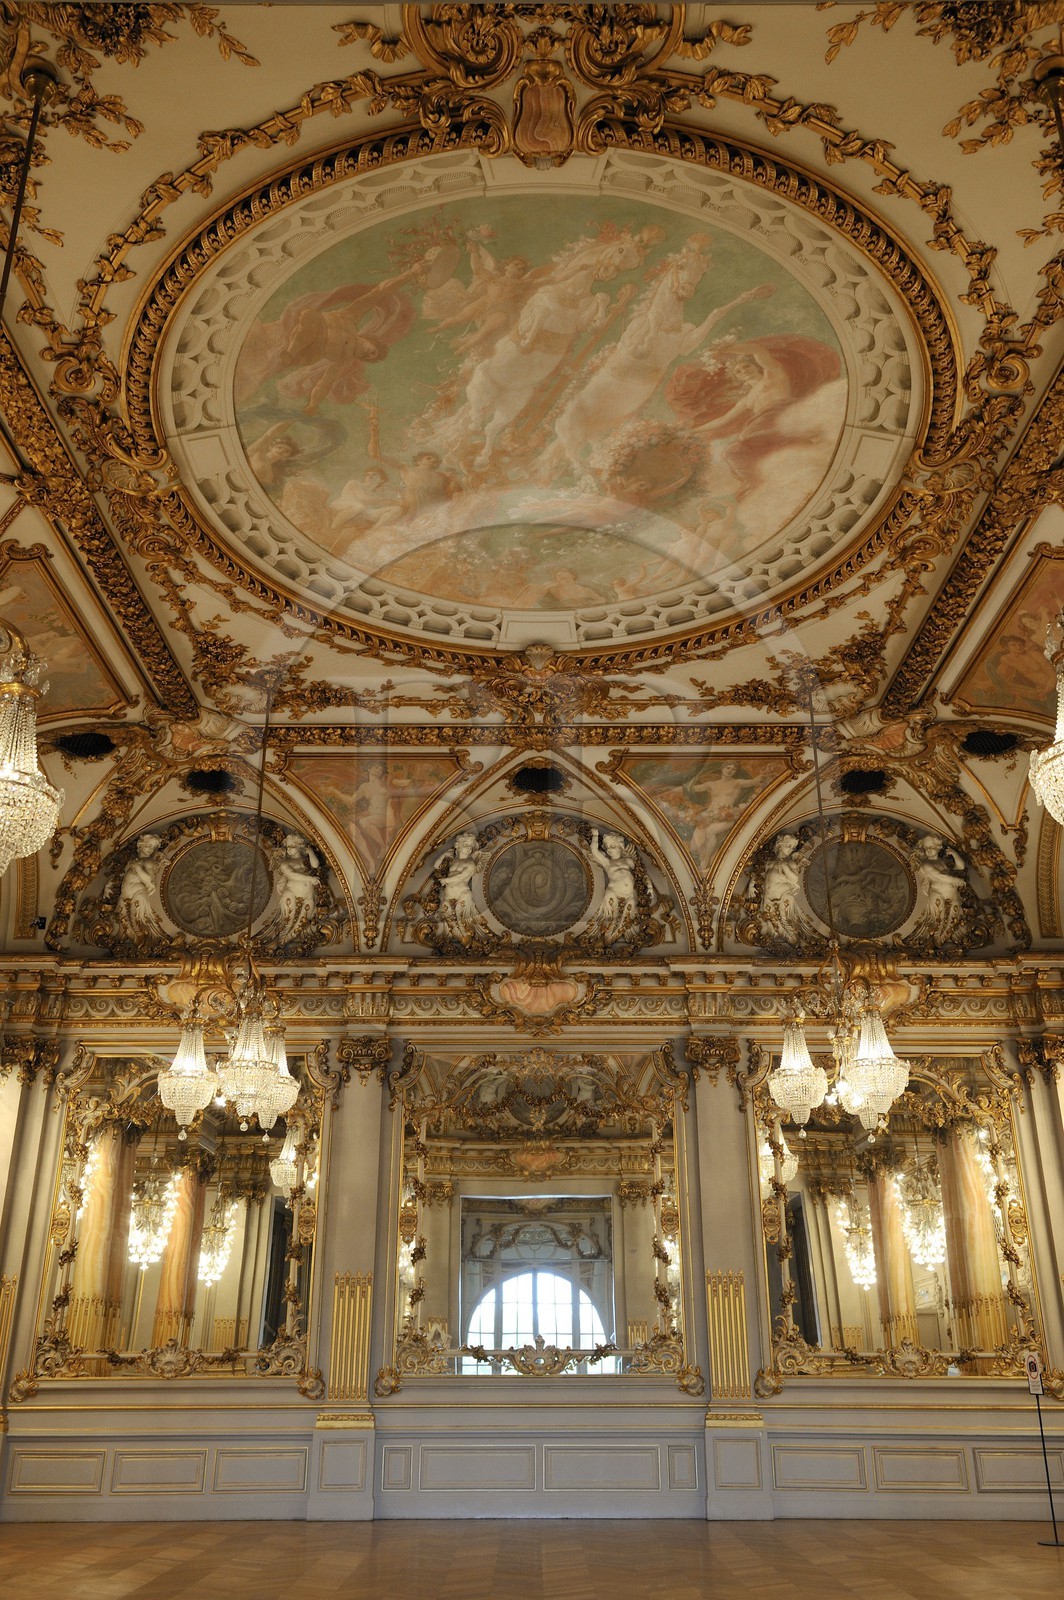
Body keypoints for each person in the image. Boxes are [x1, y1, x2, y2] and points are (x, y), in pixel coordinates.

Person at [115, 834, 164, 940]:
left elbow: (149, 881)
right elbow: (121, 878)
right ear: (140, 844)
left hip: (139, 895)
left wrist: (138, 868)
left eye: (153, 847)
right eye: (148, 845)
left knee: (138, 923)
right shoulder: (133, 861)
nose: (150, 849)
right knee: (125, 923)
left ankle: (141, 940)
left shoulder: (149, 862)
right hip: (125, 896)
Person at [272, 834, 320, 940]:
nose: (289, 849)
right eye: (287, 847)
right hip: (291, 893)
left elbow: (315, 865)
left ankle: (287, 939)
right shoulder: (285, 863)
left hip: (308, 895)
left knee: (302, 921)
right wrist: (310, 879)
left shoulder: (305, 860)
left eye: (292, 846)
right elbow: (293, 875)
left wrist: (310, 852)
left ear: (300, 847)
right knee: (288, 920)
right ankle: (282, 939)